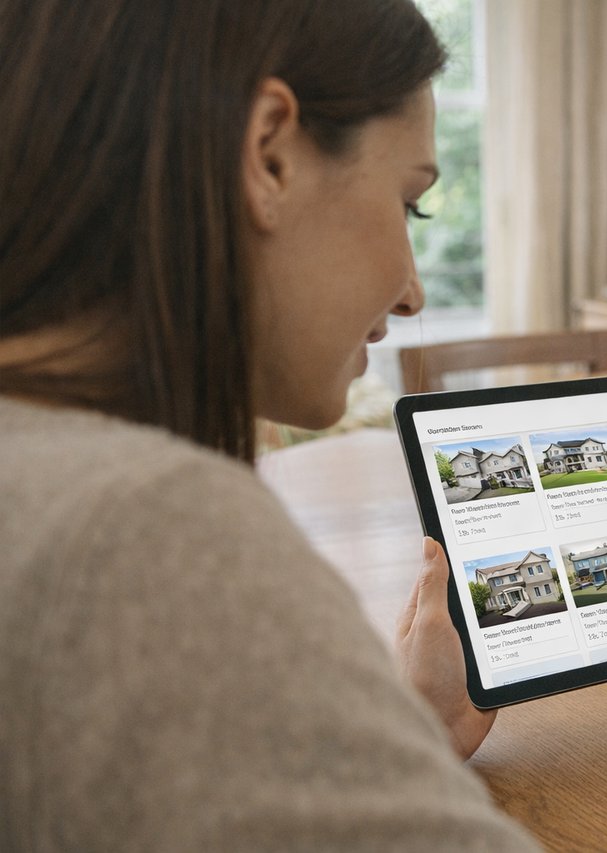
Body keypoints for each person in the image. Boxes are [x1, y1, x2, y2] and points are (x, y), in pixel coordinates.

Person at [0, 1, 535, 848]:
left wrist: (382, 742)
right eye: (409, 204)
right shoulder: (145, 532)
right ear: (269, 155)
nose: (413, 291)